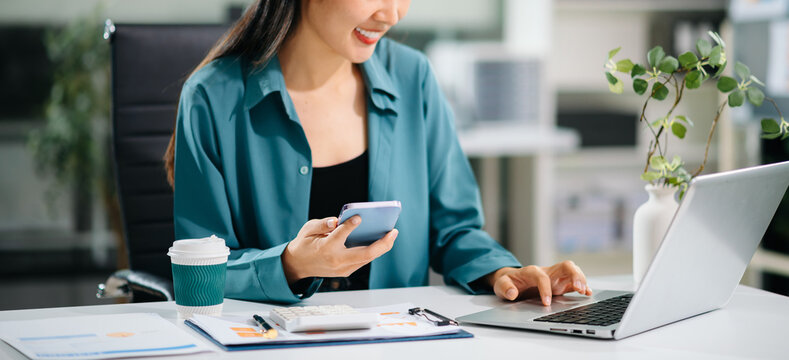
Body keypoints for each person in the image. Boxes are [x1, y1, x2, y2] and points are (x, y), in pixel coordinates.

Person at [165, 0, 593, 305]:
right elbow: (199, 272)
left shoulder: (413, 77)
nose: (392, 13)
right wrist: (291, 265)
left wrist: (501, 272)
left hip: (396, 342)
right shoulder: (212, 98)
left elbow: (455, 229)